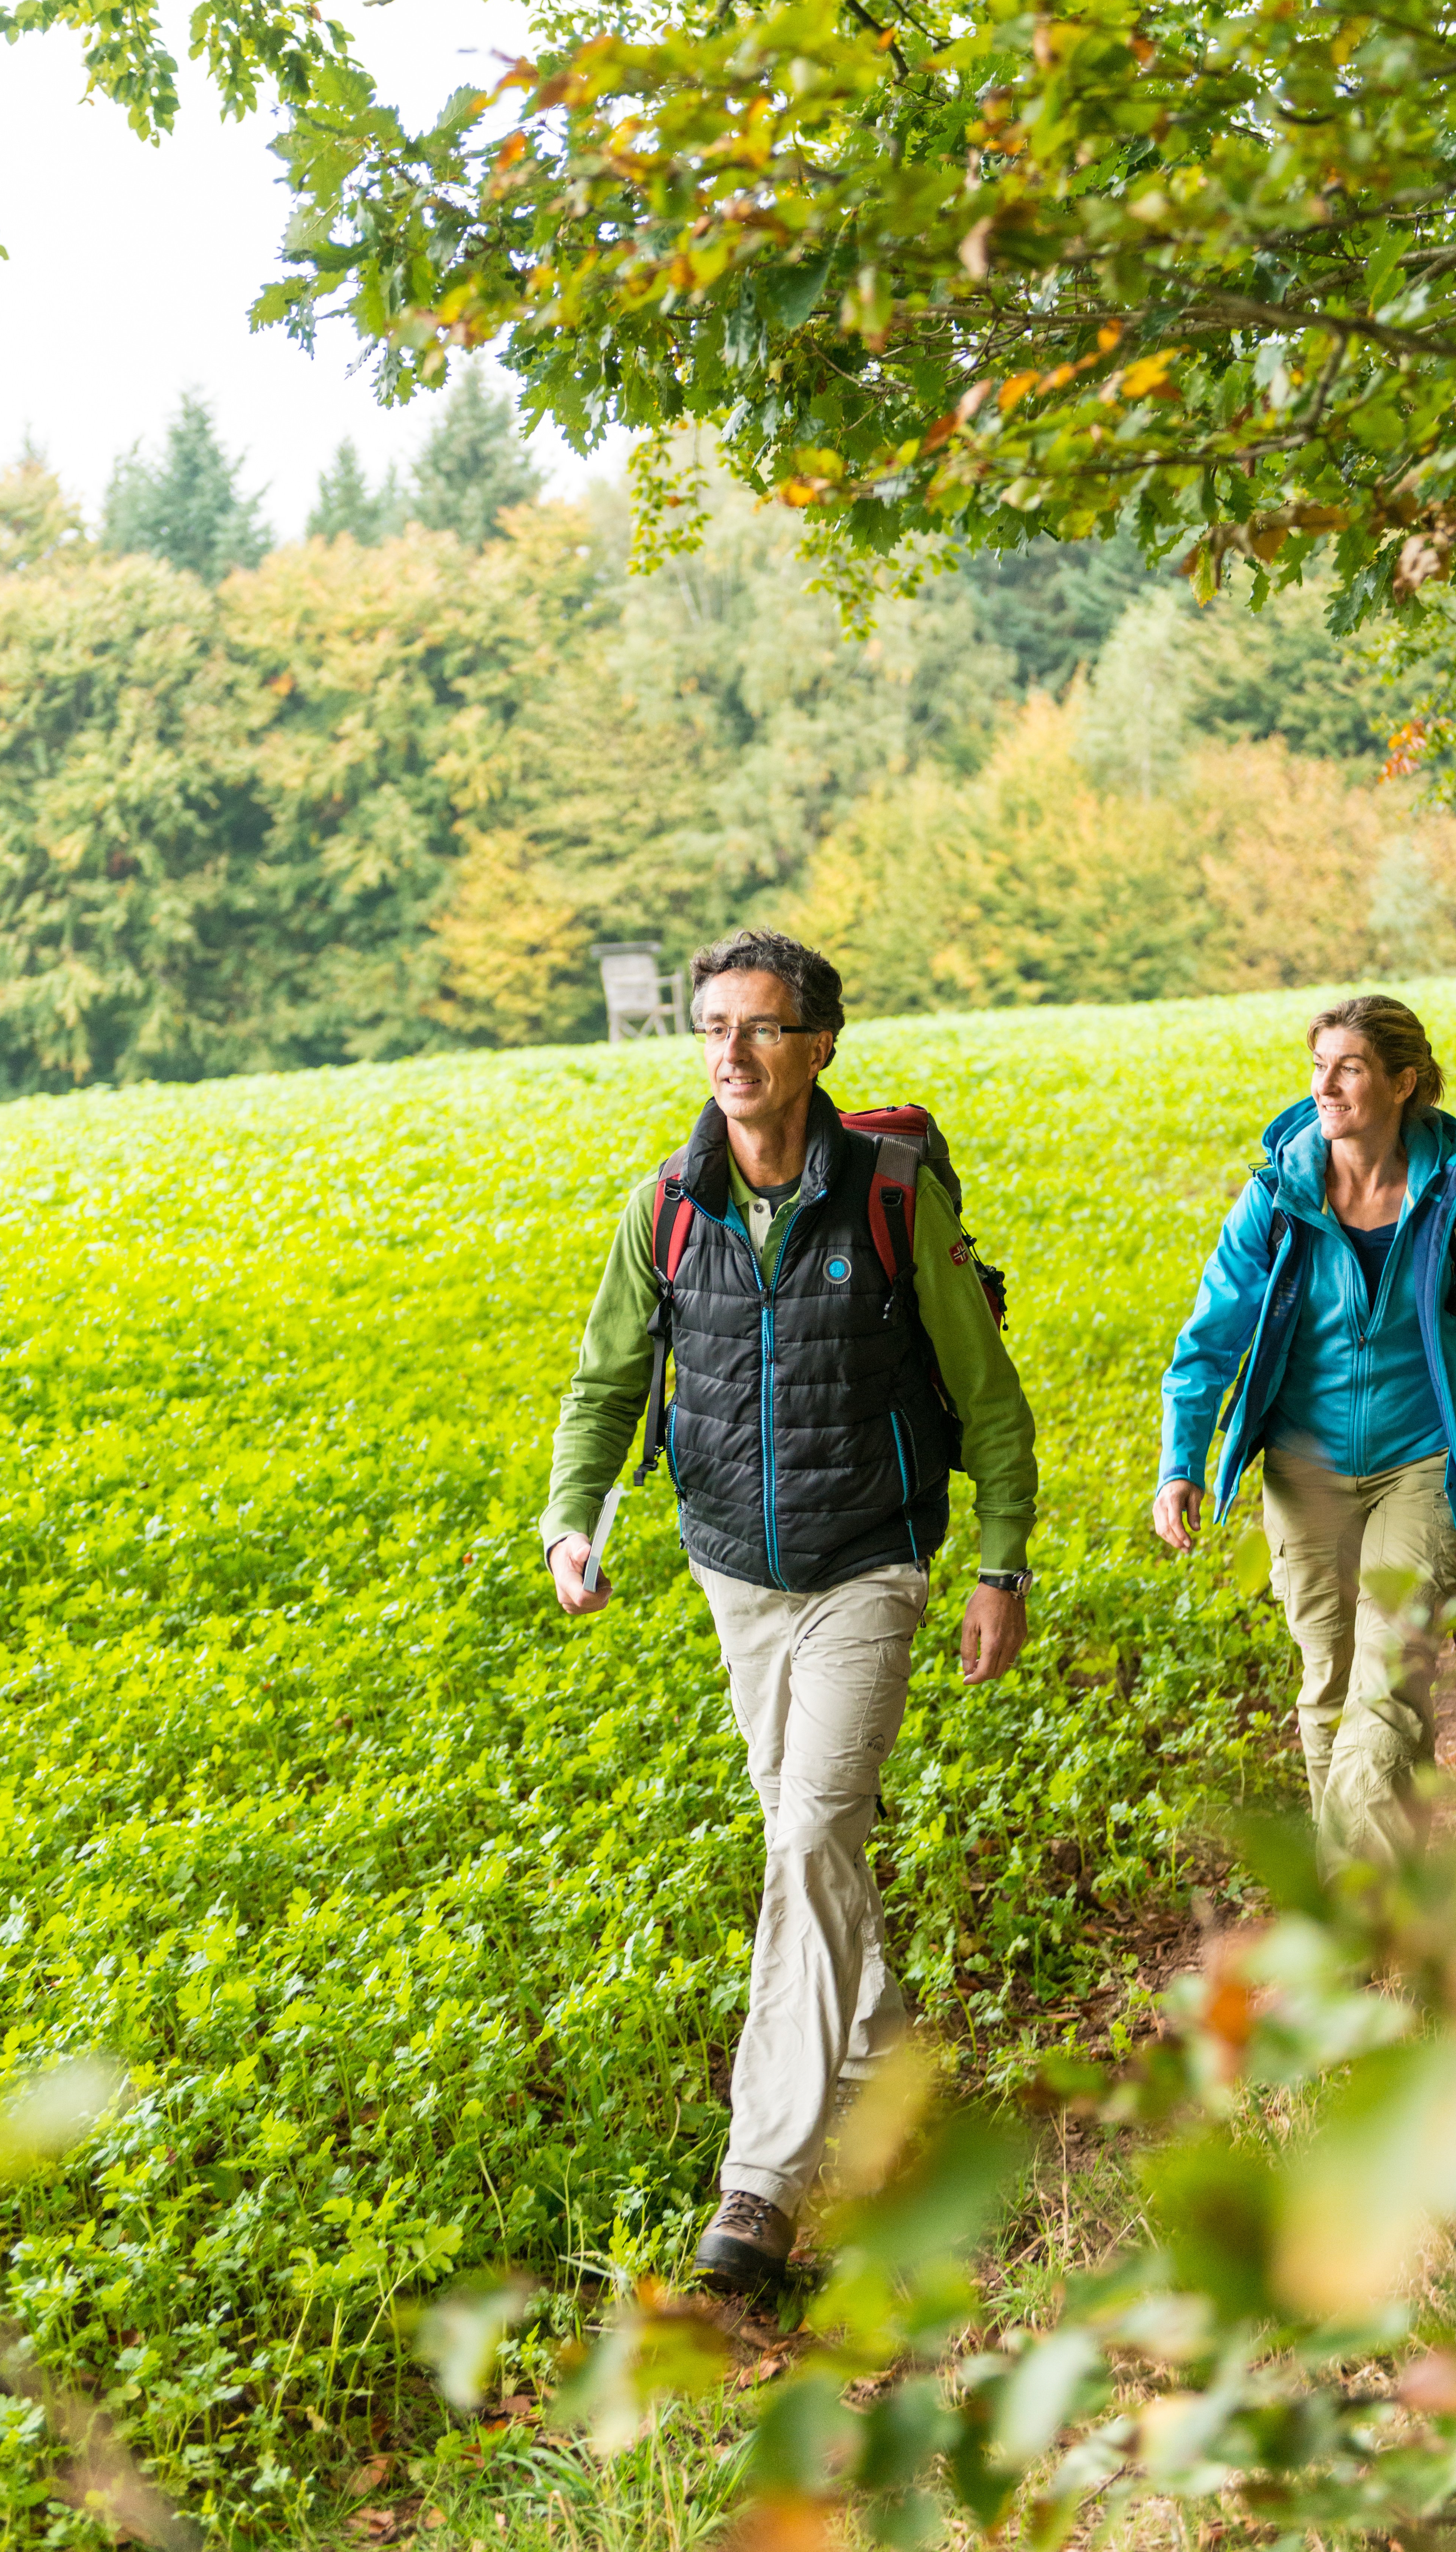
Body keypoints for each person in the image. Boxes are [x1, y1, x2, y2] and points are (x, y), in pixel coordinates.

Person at [541, 929, 1038, 2290]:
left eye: (759, 1028)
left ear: (819, 1043)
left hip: (868, 1564)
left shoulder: (885, 1197)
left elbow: (986, 1397)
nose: (729, 1054)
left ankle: (756, 2187)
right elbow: (602, 1385)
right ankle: (907, 2093)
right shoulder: (664, 1208)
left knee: (810, 1829)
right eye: (711, 1027)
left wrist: (998, 1562)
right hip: (731, 1574)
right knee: (808, 1849)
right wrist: (570, 1517)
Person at [1155, 995, 1456, 1875]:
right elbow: (1210, 1334)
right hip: (1306, 1466)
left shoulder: (1455, 1191)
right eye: (1318, 1066)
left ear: (1403, 1082)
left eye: (1350, 1068)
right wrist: (1179, 1459)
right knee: (1331, 1686)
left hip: (1422, 1461)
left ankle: (1343, 1906)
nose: (1324, 1086)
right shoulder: (1280, 1193)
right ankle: (1388, 1894)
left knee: (1392, 1677)